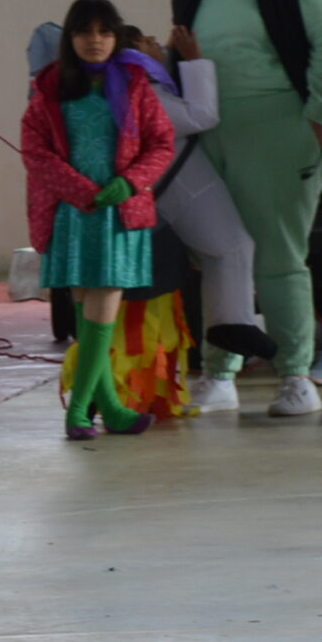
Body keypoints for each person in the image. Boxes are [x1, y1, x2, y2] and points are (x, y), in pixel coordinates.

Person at [170, 0, 322, 418]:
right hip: (207, 122)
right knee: (219, 251)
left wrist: (317, 120)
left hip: (280, 125)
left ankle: (297, 376)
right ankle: (219, 372)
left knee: (278, 256)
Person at [25, 0, 173, 439]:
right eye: (85, 32)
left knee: (100, 311)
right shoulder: (48, 88)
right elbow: (34, 151)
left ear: (115, 36)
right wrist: (83, 192)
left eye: (105, 32)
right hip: (71, 215)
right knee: (92, 316)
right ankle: (107, 408)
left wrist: (129, 183)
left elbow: (161, 143)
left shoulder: (135, 85)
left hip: (121, 214)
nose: (95, 41)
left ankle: (83, 411)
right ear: (70, 38)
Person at [117, 26, 276, 410]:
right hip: (184, 181)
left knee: (220, 254)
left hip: (173, 183)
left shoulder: (134, 87)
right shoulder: (146, 91)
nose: (156, 42)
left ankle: (229, 326)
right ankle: (232, 324)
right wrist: (195, 61)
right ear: (133, 52)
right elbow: (203, 115)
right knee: (233, 247)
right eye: (147, 41)